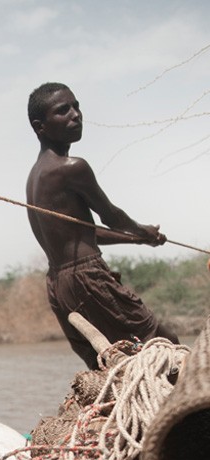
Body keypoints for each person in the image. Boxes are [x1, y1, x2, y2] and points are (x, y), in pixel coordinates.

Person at [25, 81, 180, 369]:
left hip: (59, 285)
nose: (76, 114)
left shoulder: (35, 176)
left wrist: (137, 240)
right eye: (63, 110)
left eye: (76, 106)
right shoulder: (72, 167)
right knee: (164, 343)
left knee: (107, 364)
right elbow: (111, 217)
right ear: (40, 126)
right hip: (87, 278)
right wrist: (142, 230)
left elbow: (83, 233)